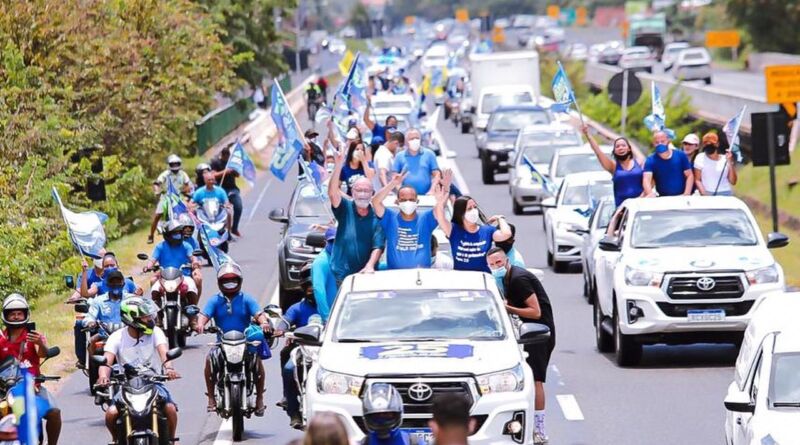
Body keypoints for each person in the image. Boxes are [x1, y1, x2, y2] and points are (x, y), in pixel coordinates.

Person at [486, 248, 555, 445]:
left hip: (538, 332)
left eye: (499, 262)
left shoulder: (518, 279)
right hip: (523, 331)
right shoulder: (504, 280)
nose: (496, 267)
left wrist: (506, 307)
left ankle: (539, 429)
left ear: (506, 261)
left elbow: (534, 311)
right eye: (492, 264)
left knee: (536, 380)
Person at [97, 297, 180, 444]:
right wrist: (103, 376)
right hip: (127, 385)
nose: (149, 319)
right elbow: (106, 361)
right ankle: (116, 439)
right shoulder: (116, 337)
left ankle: (172, 440)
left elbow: (164, 354)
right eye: (144, 317)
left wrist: (169, 368)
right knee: (111, 414)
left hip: (153, 383)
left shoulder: (156, 332)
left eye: (149, 316)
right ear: (131, 318)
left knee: (170, 409)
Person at [195, 263, 271, 415]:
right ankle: (211, 398)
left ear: (240, 281)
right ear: (219, 283)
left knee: (256, 361)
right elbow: (203, 316)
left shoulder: (247, 299)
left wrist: (263, 323)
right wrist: (200, 325)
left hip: (245, 341)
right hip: (222, 342)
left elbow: (259, 314)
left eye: (233, 280)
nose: (230, 284)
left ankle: (260, 398)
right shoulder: (214, 301)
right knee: (210, 360)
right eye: (226, 281)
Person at [0, 294, 61, 445]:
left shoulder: (33, 336)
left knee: (54, 412)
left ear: (25, 314)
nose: (15, 316)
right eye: (12, 313)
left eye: (19, 313)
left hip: (31, 386)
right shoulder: (1, 337)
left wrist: (40, 343)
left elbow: (42, 353)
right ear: (6, 315)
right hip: (4, 388)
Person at [328, 145, 385, 284]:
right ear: (352, 193)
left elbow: (378, 246)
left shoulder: (377, 215)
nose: (363, 194)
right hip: (342, 275)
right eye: (359, 190)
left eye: (366, 191)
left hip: (366, 275)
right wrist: (338, 165)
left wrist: (370, 265)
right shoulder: (345, 208)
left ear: (372, 194)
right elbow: (332, 192)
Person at [372, 171, 451, 269]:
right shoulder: (389, 218)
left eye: (411, 199)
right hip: (395, 276)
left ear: (417, 202)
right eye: (403, 200)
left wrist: (446, 189)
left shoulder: (426, 219)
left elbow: (441, 207)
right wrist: (392, 184)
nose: (408, 202)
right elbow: (375, 202)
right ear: (397, 202)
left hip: (420, 278)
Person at [281, 262, 320, 429]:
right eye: (308, 286)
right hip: (303, 350)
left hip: (327, 350)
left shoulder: (331, 304)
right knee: (289, 369)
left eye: (314, 285)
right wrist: (279, 330)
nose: (311, 289)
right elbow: (284, 322)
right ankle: (293, 411)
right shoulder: (296, 308)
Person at [439, 196, 512, 272]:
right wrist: (440, 202)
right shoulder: (454, 230)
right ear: (461, 213)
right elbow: (440, 218)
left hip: (483, 278)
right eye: (469, 208)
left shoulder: (487, 230)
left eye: (475, 207)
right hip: (460, 279)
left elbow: (506, 234)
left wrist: (500, 218)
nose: (474, 211)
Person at [582, 125, 646, 206]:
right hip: (621, 210)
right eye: (617, 146)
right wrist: (588, 135)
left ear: (629, 148)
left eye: (623, 145)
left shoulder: (639, 162)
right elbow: (598, 152)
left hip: (640, 206)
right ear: (614, 151)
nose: (620, 148)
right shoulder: (613, 166)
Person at [82, 271, 130, 358]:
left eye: (118, 282)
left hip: (128, 335)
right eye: (112, 282)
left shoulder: (131, 299)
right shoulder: (98, 301)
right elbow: (89, 317)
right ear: (107, 285)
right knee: (91, 342)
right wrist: (90, 323)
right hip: (105, 336)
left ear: (123, 284)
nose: (115, 284)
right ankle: (94, 369)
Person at [144, 219, 201, 288]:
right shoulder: (160, 246)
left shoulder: (186, 245)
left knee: (193, 288)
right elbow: (153, 260)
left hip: (184, 276)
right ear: (168, 235)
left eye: (179, 233)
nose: (178, 235)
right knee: (153, 280)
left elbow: (192, 257)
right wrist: (148, 267)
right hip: (164, 277)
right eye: (175, 233)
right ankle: (155, 299)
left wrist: (195, 263)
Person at [148, 154, 192, 244]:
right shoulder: (165, 174)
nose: (175, 166)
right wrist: (157, 191)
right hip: (166, 197)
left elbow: (188, 185)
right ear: (169, 165)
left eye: (177, 164)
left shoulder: (183, 174)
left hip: (179, 197)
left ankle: (189, 232)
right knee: (157, 215)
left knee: (189, 211)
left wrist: (187, 191)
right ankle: (151, 235)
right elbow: (157, 183)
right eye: (173, 164)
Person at [642, 131, 693, 197]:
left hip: (682, 196)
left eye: (662, 141)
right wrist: (650, 193)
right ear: (653, 144)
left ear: (668, 141)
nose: (660, 144)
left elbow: (689, 175)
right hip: (663, 198)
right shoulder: (650, 160)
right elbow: (646, 179)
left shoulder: (680, 155)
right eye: (657, 142)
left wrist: (687, 193)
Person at [393, 128, 441, 195]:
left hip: (426, 196)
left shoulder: (429, 154)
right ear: (406, 141)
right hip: (407, 198)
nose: (415, 140)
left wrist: (432, 190)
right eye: (411, 139)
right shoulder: (399, 156)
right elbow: (395, 177)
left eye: (417, 138)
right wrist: (401, 192)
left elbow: (437, 174)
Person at [210, 144, 243, 238]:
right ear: (222, 155)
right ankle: (222, 231)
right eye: (224, 154)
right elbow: (213, 175)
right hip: (220, 189)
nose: (226, 156)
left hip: (232, 189)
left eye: (227, 154)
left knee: (238, 206)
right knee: (223, 211)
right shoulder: (216, 163)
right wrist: (225, 172)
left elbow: (238, 175)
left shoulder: (231, 163)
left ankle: (234, 228)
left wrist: (233, 170)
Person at [693, 132, 737, 196]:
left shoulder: (725, 158)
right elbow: (697, 179)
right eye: (706, 144)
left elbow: (733, 181)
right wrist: (704, 194)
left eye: (711, 144)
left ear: (717, 144)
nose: (709, 146)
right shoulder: (700, 157)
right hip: (707, 193)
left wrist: (730, 162)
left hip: (725, 192)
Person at [312, 227, 339, 322]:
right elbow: (319, 290)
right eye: (332, 242)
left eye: (338, 241)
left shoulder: (343, 258)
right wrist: (327, 318)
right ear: (325, 242)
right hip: (330, 318)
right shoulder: (321, 262)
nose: (335, 245)